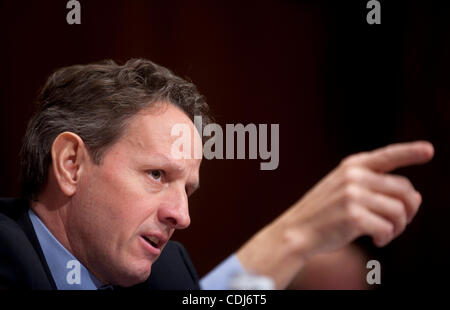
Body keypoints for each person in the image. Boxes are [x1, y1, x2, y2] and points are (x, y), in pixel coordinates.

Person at [0, 59, 434, 290]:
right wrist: (296, 234)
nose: (182, 216)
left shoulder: (167, 272)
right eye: (156, 174)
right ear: (71, 164)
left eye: (187, 190)